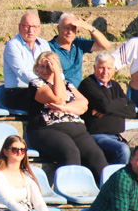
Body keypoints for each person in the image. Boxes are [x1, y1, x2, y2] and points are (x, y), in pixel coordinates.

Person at [26, 52, 108, 182]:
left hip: (77, 130)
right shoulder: (37, 83)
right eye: (42, 66)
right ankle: (72, 191)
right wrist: (57, 76)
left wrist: (64, 108)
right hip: (46, 129)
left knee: (96, 156)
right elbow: (59, 98)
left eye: (50, 66)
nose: (46, 70)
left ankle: (109, 195)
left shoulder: (68, 85)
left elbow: (84, 104)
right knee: (70, 152)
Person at [78, 53, 137, 164]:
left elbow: (132, 110)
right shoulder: (88, 84)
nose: (105, 72)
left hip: (118, 135)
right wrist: (123, 101)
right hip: (97, 136)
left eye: (109, 68)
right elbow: (105, 106)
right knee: (122, 150)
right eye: (101, 68)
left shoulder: (115, 85)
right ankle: (118, 180)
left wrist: (107, 112)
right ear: (94, 68)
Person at [2, 12, 50, 111]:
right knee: (43, 103)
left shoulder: (44, 44)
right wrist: (45, 85)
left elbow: (55, 68)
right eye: (27, 26)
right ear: (19, 27)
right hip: (17, 92)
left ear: (39, 28)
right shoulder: (13, 45)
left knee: (66, 98)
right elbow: (22, 73)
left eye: (34, 27)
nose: (31, 30)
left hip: (43, 88)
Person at [49, 12, 111, 86]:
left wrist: (89, 28)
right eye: (66, 28)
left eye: (73, 29)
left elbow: (105, 45)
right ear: (58, 28)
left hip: (81, 90)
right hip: (63, 90)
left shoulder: (78, 42)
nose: (70, 32)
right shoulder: (49, 47)